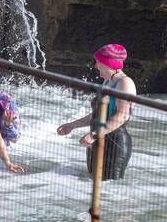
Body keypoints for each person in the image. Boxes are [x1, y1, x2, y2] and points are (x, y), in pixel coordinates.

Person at [56, 44, 134, 180]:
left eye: (98, 61)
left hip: (115, 143)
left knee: (109, 190)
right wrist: (72, 125)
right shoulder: (107, 82)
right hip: (98, 141)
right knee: (90, 182)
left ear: (107, 63)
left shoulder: (124, 83)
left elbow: (122, 116)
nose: (96, 65)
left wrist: (93, 135)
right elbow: (97, 114)